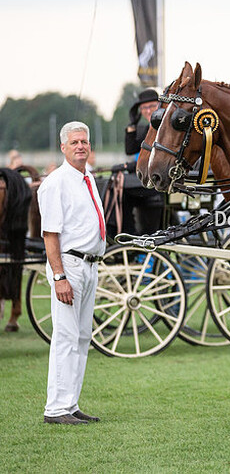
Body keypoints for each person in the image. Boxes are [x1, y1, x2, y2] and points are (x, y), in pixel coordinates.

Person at [38, 121, 105, 425]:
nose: (81, 146)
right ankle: (56, 408)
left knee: (81, 337)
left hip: (90, 265)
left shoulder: (87, 177)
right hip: (70, 266)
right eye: (75, 142)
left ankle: (71, 403)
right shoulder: (56, 182)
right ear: (63, 147)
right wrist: (59, 276)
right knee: (65, 336)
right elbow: (50, 234)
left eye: (85, 142)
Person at [121, 88, 163, 236]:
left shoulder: (163, 127)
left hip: (160, 179)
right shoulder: (147, 128)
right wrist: (132, 124)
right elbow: (130, 149)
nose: (147, 111)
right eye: (143, 108)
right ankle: (127, 232)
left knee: (122, 190)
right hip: (149, 179)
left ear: (159, 105)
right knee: (117, 187)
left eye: (151, 106)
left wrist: (131, 166)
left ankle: (129, 234)